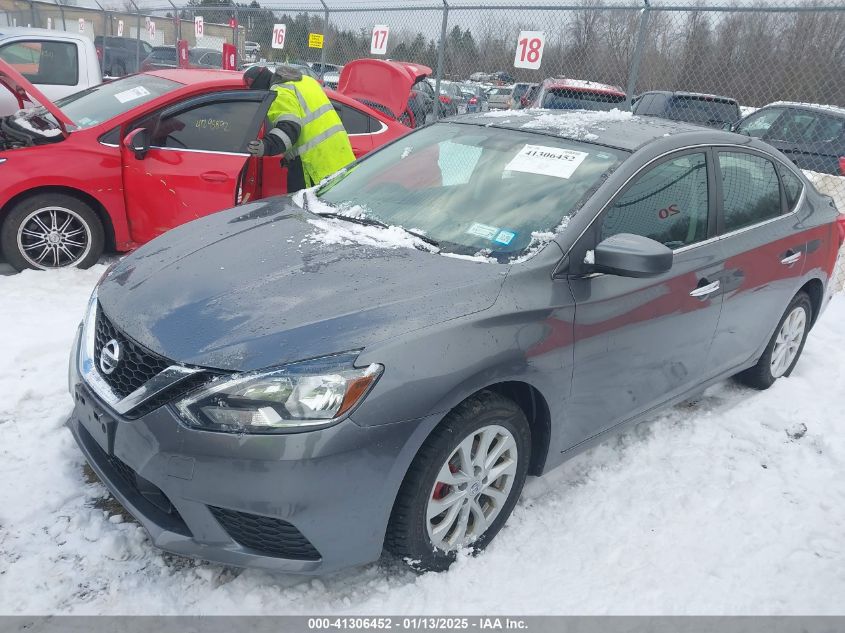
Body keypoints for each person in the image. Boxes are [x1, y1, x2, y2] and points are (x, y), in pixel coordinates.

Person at [245, 65, 355, 193]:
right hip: (340, 157)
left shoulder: (279, 91)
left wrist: (265, 145)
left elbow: (289, 129)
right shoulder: (306, 81)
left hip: (314, 165)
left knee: (308, 210)